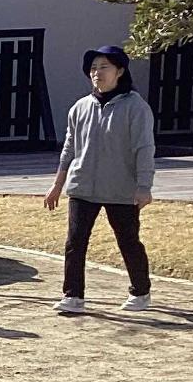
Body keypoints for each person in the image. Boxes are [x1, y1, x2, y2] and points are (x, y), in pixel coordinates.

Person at [45, 45, 156, 315]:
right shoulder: (80, 108)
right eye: (93, 68)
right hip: (82, 188)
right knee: (75, 242)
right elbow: (69, 149)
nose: (97, 73)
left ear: (119, 71)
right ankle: (73, 296)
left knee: (128, 241)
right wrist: (57, 185)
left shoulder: (135, 107)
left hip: (121, 190)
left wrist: (144, 187)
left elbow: (144, 148)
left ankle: (140, 292)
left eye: (104, 67)